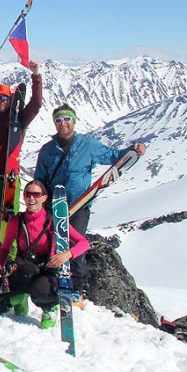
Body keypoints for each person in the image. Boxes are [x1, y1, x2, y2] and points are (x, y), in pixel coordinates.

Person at [34, 104, 146, 292]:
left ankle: (77, 289)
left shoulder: (88, 145)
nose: (63, 124)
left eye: (67, 119)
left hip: (79, 205)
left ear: (74, 121)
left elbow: (113, 157)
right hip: (54, 207)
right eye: (59, 120)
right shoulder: (47, 150)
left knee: (75, 248)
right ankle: (51, 286)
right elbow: (40, 179)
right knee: (50, 247)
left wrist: (133, 150)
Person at [0, 180, 90, 328]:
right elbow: (5, 249)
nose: (31, 198)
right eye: (27, 194)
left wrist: (67, 254)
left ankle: (49, 307)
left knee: (40, 289)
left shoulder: (55, 221)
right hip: (25, 269)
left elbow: (84, 243)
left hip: (47, 271)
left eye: (36, 194)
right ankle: (19, 298)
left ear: (44, 198)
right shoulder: (17, 221)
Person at [0, 60, 43, 217]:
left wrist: (36, 76)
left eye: (4, 98)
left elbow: (36, 104)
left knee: (7, 220)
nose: (0, 101)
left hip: (8, 178)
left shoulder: (19, 119)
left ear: (10, 99)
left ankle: (9, 243)